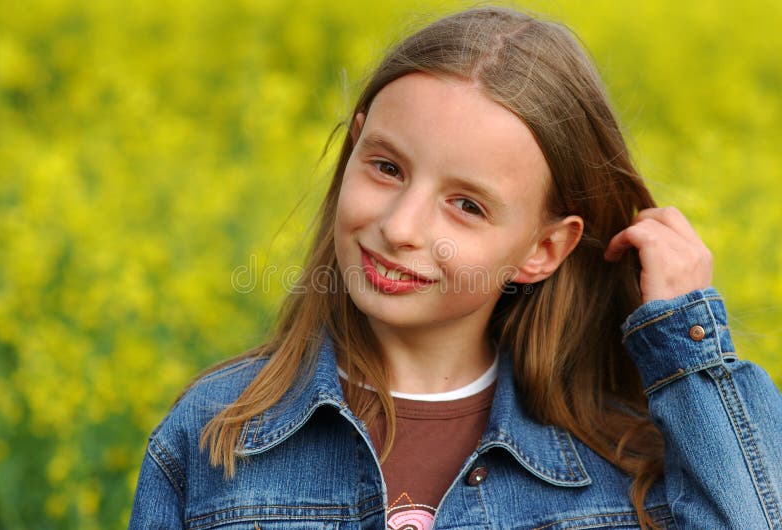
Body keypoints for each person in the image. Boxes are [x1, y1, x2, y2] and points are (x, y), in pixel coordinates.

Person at [128, 7, 782, 530]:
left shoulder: (623, 463)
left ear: (543, 250)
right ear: (352, 147)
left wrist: (686, 343)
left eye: (466, 206)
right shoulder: (218, 431)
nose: (400, 227)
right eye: (387, 168)